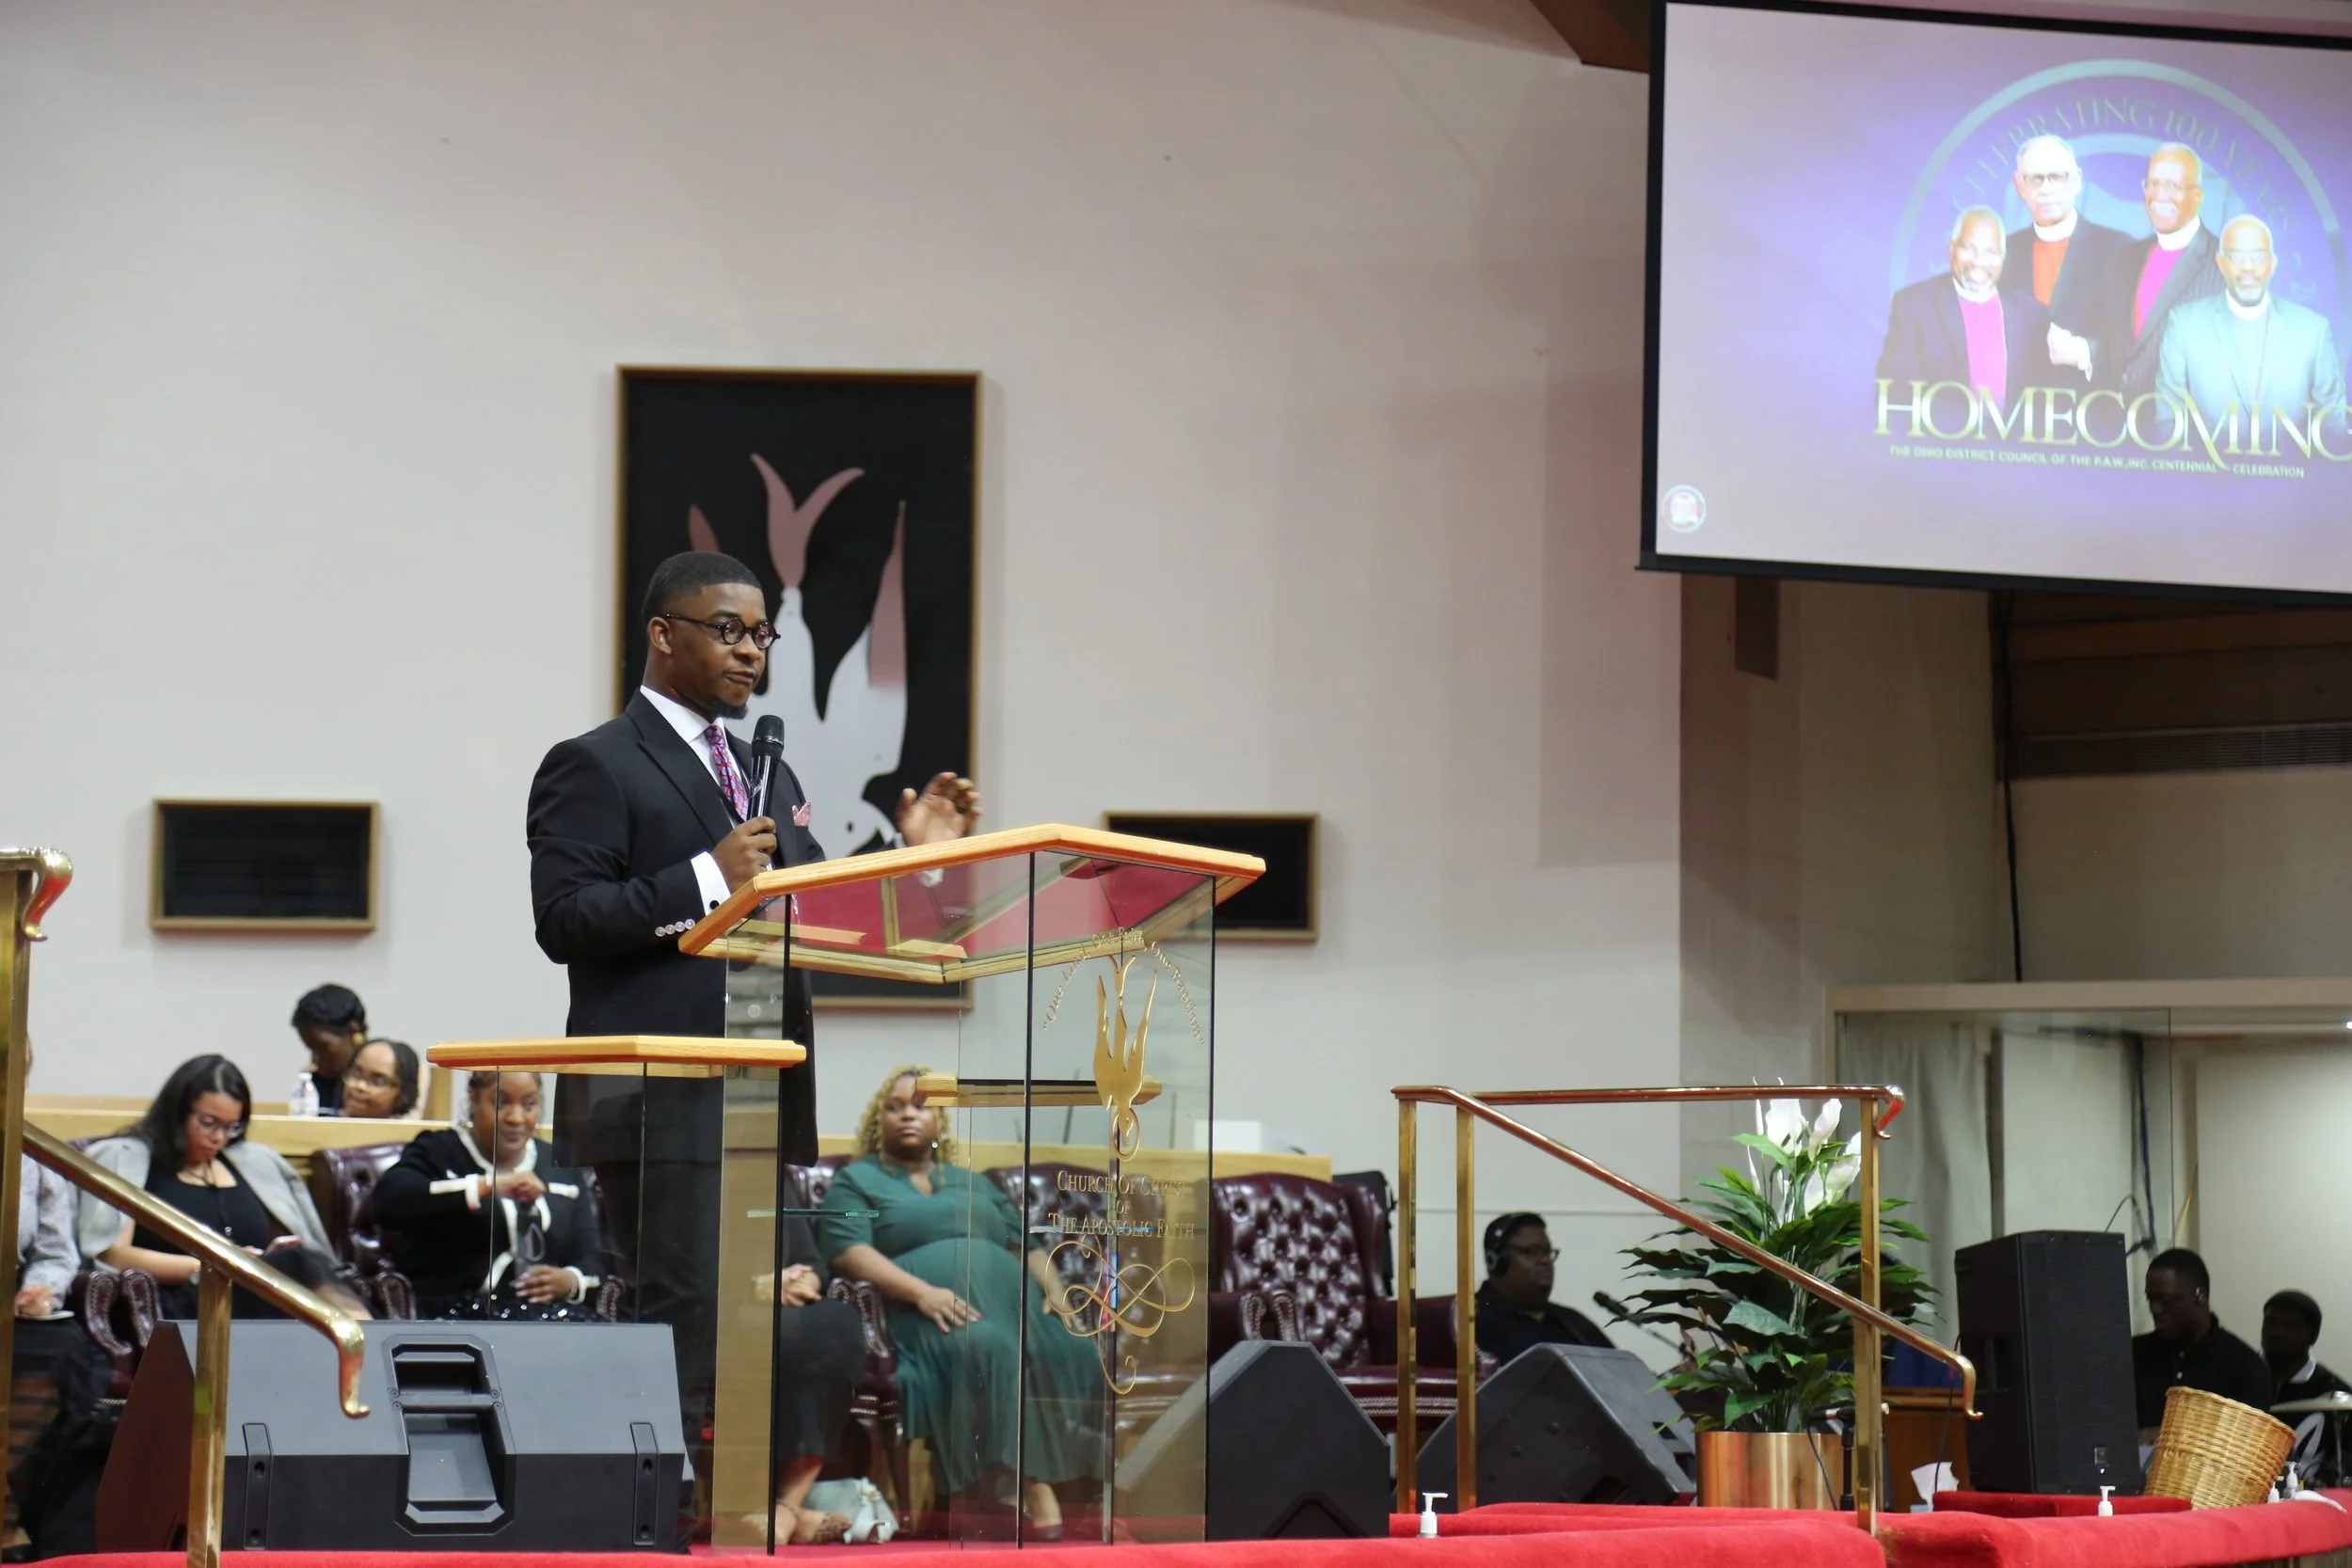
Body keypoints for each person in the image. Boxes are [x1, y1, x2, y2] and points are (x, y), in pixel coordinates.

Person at [526, 549, 980, 1456]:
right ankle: (655, 1500)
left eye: (761, 634)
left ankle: (739, 1505)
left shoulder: (766, 770)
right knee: (686, 1309)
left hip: (759, 1093)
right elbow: (565, 919)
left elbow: (825, 912)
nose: (751, 652)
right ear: (663, 634)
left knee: (772, 1314)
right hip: (657, 1094)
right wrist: (707, 875)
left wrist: (913, 860)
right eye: (728, 630)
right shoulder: (594, 764)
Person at [818, 1068, 1103, 1536]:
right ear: (878, 1121)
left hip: (1012, 1310)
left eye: (920, 1106)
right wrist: (921, 1292)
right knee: (989, 1348)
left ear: (940, 1122)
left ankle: (1082, 1494)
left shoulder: (973, 1183)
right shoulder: (856, 1181)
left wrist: (1056, 1290)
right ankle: (1023, 1486)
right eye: (894, 1107)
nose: (908, 1115)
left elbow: (1025, 1246)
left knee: (1072, 1350)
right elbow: (849, 1251)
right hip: (920, 1314)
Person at [74, 1055, 331, 1319]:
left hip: (260, 1293)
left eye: (230, 1127)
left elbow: (294, 1241)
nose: (219, 1137)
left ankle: (352, 1333)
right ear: (177, 1114)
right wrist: (215, 1266)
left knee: (308, 1273)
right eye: (208, 1123)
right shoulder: (126, 1158)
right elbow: (111, 1255)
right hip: (180, 1300)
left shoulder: (255, 1162)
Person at [371, 1070, 606, 1320]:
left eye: (529, 1104)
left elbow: (592, 1254)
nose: (516, 1118)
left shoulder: (558, 1164)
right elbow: (389, 1201)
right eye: (501, 1103)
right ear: (474, 1098)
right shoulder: (438, 1151)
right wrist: (486, 1185)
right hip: (456, 1313)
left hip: (547, 1315)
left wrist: (570, 1281)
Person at [2055, 144, 2221, 399]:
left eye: (2173, 186)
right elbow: (2121, 351)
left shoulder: (2222, 265)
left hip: (2179, 419)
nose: (2160, 195)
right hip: (2114, 418)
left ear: (2197, 195)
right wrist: (2083, 351)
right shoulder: (2126, 258)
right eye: (2153, 184)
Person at [2157, 214, 2345, 436]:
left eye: (2258, 256)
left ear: (2272, 264)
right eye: (2236, 256)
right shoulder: (2183, 325)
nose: (2248, 267)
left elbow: (2334, 427)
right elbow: (2167, 424)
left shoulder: (2313, 331)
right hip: (2205, 458)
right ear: (2220, 263)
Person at [746, 1219, 869, 1544]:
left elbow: (813, 1264)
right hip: (719, 1305)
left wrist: (803, 1280)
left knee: (834, 1325)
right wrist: (756, 1286)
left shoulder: (779, 1185)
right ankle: (777, 1514)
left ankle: (787, 1507)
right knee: (788, 1339)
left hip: (785, 1302)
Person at [1876, 207, 2050, 410]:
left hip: (2012, 431)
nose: (1978, 262)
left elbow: (2045, 396)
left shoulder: (2030, 314)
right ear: (1951, 249)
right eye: (1968, 248)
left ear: (2002, 256)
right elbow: (1896, 390)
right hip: (1940, 430)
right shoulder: (1914, 306)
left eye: (1990, 252)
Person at [2131, 1247, 2271, 1440]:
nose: (2155, 1309)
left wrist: (2167, 1436)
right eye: (2150, 1299)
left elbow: (2245, 1444)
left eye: (2165, 1300)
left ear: (2200, 1295)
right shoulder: (2132, 1355)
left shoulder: (2245, 1367)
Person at [2005, 135, 2132, 333]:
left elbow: (2132, 334)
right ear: (2019, 185)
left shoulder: (2120, 250)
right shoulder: (2001, 254)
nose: (2046, 189)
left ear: (2076, 180)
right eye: (2035, 179)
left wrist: (2087, 349)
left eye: (2056, 177)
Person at [1474, 1212, 1613, 1364]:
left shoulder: (1574, 1325)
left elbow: (1616, 1371)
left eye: (1547, 1252)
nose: (1546, 1260)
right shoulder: (1470, 1321)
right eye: (1533, 1252)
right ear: (1496, 1262)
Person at [2264, 1290, 2351, 1484]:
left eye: (2290, 1326)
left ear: (2312, 1336)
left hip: (2304, 1495)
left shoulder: (2334, 1393)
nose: (2276, 1333)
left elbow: (2344, 1462)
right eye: (2270, 1323)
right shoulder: (2244, 1376)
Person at [291, 984, 368, 1114]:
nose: (315, 1059)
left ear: (353, 1032)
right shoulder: (313, 1084)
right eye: (311, 1049)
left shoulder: (394, 1078)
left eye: (322, 1048)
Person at [338, 1037, 421, 1119]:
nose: (360, 1086)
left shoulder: (406, 1128)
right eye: (356, 1074)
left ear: (403, 1094)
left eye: (377, 1082)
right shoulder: (329, 1121)